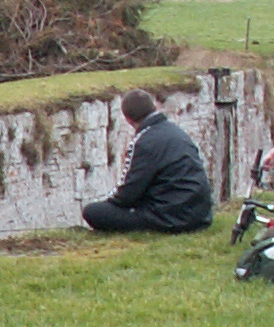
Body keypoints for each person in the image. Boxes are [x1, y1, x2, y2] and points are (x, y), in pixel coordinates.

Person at [81, 90, 215, 233]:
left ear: (127, 119)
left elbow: (127, 194)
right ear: (154, 107)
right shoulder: (177, 132)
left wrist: (107, 204)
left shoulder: (143, 142)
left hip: (170, 217)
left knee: (93, 212)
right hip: (199, 215)